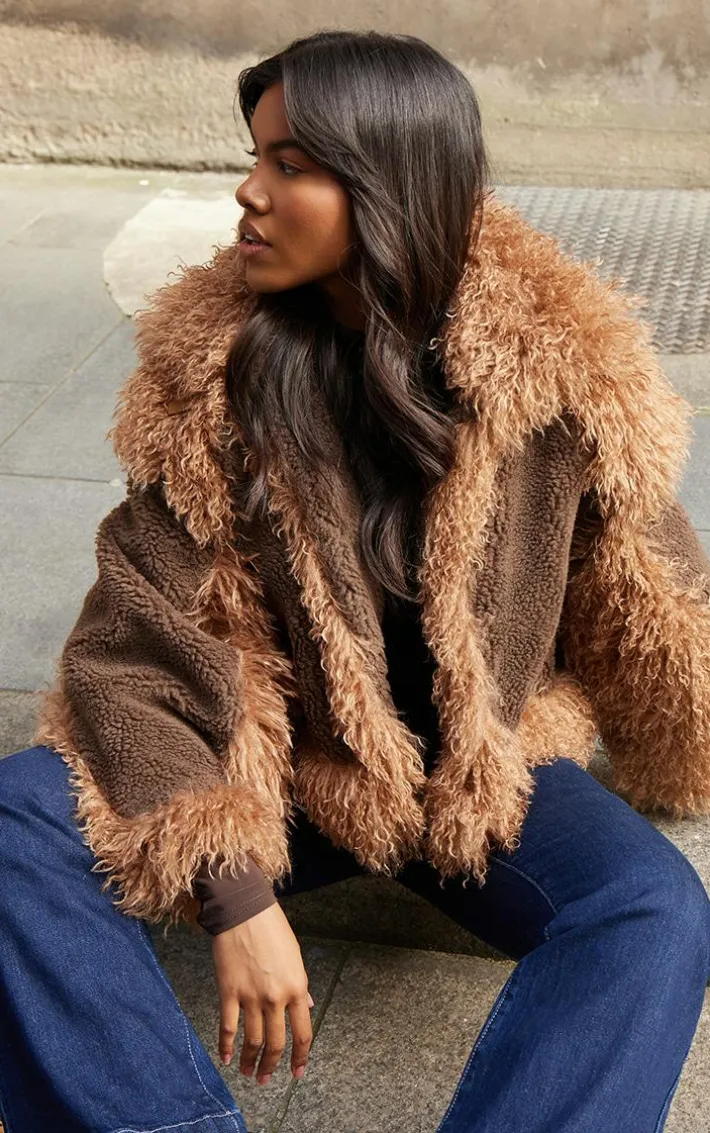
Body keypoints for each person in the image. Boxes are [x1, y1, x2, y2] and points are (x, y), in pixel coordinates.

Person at [1, 27, 709, 1133]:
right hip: (288, 767)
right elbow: (132, 646)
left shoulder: (554, 375)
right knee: (16, 820)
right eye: (254, 157)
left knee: (653, 909)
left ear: (387, 185)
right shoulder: (210, 380)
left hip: (479, 775)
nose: (247, 192)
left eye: (289, 164)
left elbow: (649, 585)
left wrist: (683, 739)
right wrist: (232, 885)